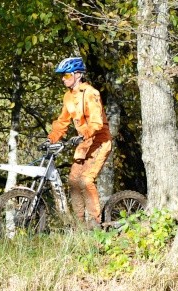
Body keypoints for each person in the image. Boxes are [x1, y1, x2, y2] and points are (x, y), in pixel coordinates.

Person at [46, 57, 112, 228]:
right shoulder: (68, 97)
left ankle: (95, 223)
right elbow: (62, 123)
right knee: (74, 181)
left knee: (86, 181)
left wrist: (85, 135)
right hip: (84, 144)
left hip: (100, 141)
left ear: (77, 75)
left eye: (66, 75)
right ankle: (80, 224)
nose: (63, 79)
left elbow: (97, 123)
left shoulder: (91, 93)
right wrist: (50, 139)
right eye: (62, 76)